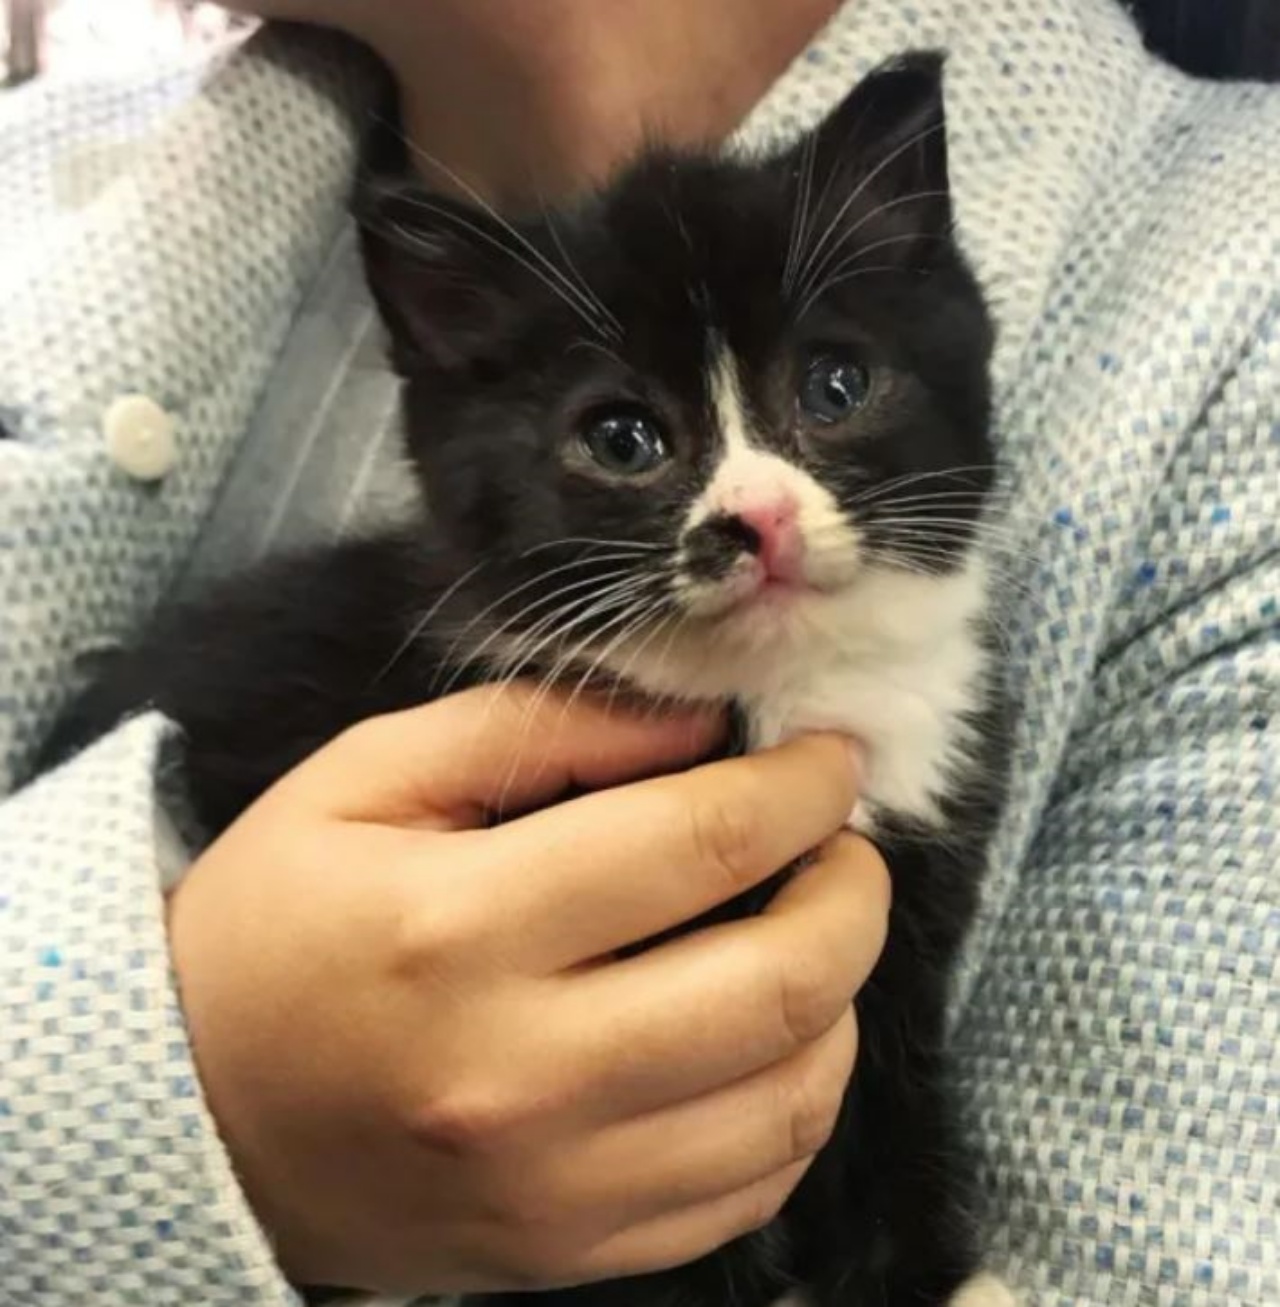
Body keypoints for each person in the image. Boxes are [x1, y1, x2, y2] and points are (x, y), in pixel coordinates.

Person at [0, 3, 1275, 1306]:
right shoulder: (41, 182)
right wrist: (146, 1109)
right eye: (623, 440)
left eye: (830, 393)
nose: (759, 505)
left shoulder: (1230, 301)